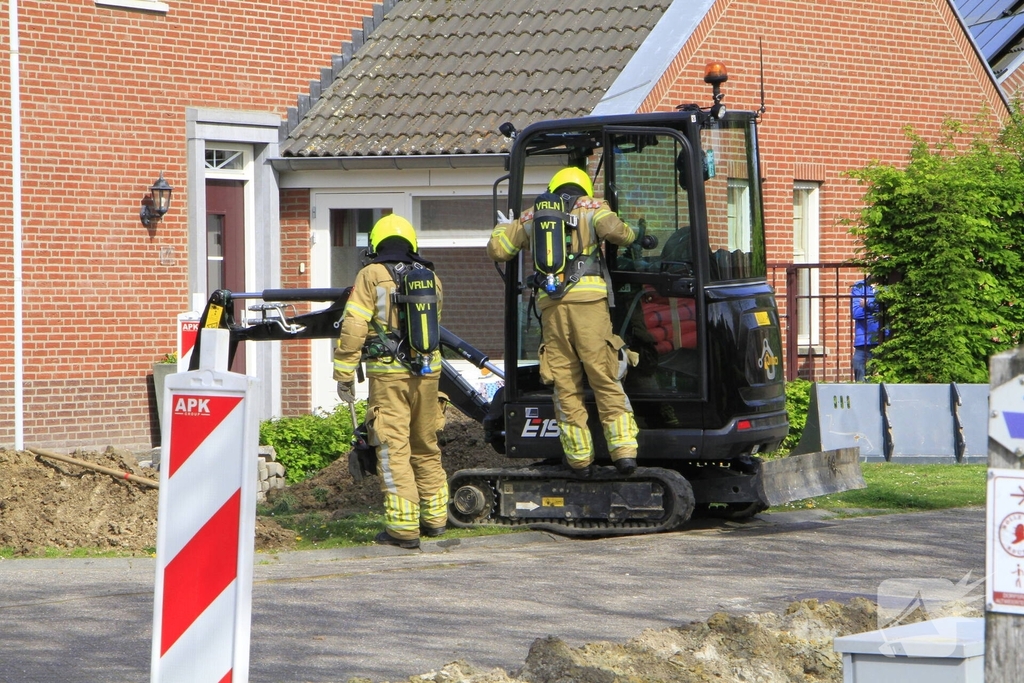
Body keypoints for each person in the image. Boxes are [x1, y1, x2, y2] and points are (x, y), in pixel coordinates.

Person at [487, 166, 640, 477]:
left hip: (552, 310)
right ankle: (623, 452)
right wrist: (632, 232)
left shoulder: (532, 216)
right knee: (604, 376)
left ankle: (579, 460)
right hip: (589, 308)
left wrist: (502, 228)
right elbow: (618, 233)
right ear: (582, 186)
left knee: (565, 384)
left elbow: (499, 251)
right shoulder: (594, 207)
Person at [333, 215, 447, 549]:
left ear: (375, 245)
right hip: (428, 374)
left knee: (393, 447)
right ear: (412, 244)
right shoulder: (432, 279)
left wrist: (343, 373)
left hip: (389, 375)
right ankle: (436, 519)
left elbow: (354, 325)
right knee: (425, 445)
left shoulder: (370, 275)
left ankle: (402, 529)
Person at [850, 277, 880, 382]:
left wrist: (867, 303)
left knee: (877, 374)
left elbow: (886, 310)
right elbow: (856, 313)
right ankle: (861, 395)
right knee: (858, 365)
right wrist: (876, 311)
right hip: (862, 338)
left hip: (881, 337)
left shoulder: (888, 285)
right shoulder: (859, 286)